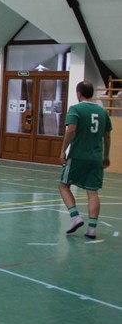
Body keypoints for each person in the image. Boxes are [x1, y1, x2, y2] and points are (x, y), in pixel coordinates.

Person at [59, 80, 112, 239]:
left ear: (78, 93)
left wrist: (63, 151)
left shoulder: (76, 109)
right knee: (92, 192)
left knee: (63, 185)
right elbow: (107, 136)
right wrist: (106, 156)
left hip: (78, 156)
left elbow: (71, 130)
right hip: (96, 158)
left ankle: (75, 217)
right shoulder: (102, 112)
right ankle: (92, 229)